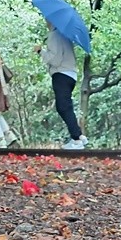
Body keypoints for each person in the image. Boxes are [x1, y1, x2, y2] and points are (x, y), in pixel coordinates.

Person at [35, 21, 87, 149]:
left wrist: (40, 51)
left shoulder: (54, 35)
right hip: (71, 74)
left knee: (63, 106)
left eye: (47, 19)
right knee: (65, 106)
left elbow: (55, 60)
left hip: (61, 73)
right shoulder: (64, 34)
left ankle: (76, 139)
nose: (45, 21)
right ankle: (80, 136)